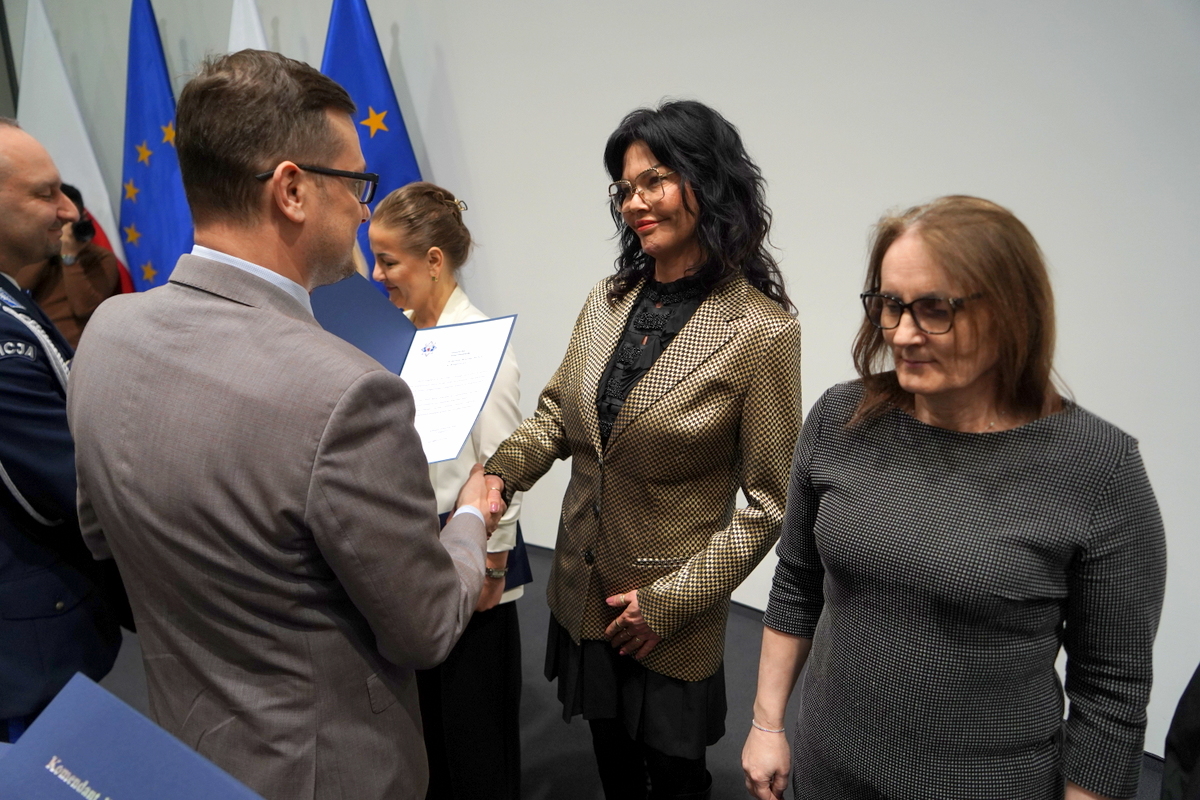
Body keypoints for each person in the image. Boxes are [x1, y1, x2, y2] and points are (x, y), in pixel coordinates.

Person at [66, 51, 501, 800]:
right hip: (325, 774)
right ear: (293, 190)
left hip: (183, 745)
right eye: (356, 185)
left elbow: (102, 536)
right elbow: (427, 625)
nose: (363, 211)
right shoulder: (348, 394)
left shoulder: (105, 333)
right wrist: (467, 520)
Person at [742, 195, 1167, 800]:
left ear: (1012, 312)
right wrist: (767, 723)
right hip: (827, 772)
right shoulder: (842, 416)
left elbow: (1111, 692)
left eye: (934, 309)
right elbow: (798, 579)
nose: (903, 334)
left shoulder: (1100, 469)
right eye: (891, 305)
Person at [483, 100, 802, 800]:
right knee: (613, 764)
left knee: (677, 777)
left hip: (669, 613)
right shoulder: (607, 299)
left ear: (707, 181)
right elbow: (556, 417)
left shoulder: (762, 330)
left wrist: (669, 603)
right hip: (583, 587)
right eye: (625, 188)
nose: (634, 203)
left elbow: (769, 503)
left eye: (654, 180)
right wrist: (501, 473)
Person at [368, 181, 531, 800]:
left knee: (475, 733)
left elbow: (505, 464)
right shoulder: (396, 335)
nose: (377, 275)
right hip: (410, 552)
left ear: (434, 260)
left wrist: (493, 564)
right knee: (427, 734)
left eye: (388, 261)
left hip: (473, 552)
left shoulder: (484, 343)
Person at [0, 119, 129, 743]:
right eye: (43, 193)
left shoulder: (13, 303)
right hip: (27, 662)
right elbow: (74, 490)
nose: (70, 211)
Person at [15, 184, 120, 348]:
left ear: (81, 217)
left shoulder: (100, 258)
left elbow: (84, 308)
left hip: (79, 348)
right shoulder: (38, 252)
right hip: (39, 342)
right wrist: (51, 245)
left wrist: (69, 256)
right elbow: (20, 285)